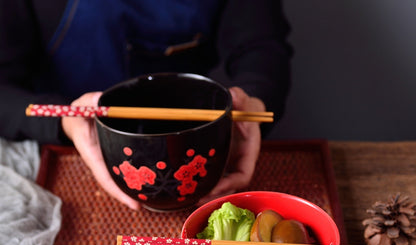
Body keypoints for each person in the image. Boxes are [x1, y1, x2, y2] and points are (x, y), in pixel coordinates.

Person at [0, 0, 292, 210]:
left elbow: (261, 47)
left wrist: (254, 99)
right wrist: (64, 122)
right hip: (61, 154)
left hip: (195, 150)